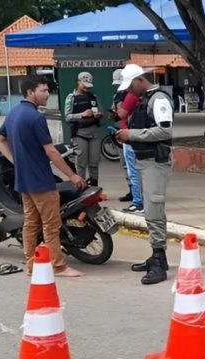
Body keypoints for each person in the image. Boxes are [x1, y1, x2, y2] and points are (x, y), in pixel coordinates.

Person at [0, 76, 87, 278]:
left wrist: (14, 160)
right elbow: (51, 152)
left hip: (24, 180)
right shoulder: (36, 118)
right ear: (30, 92)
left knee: (31, 223)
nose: (47, 94)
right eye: (43, 90)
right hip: (41, 180)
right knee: (51, 225)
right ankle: (59, 266)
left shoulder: (13, 114)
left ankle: (31, 265)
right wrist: (72, 175)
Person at [115, 64, 174, 285]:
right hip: (144, 161)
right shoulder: (145, 99)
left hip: (155, 163)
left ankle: (159, 259)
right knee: (151, 210)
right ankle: (157, 254)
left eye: (131, 86)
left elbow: (166, 130)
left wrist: (131, 134)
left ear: (140, 80)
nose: (129, 91)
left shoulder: (158, 99)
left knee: (153, 210)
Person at [110, 69, 144, 213]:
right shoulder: (140, 95)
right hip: (137, 134)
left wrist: (117, 105)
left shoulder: (130, 96)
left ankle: (138, 202)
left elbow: (121, 113)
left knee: (133, 171)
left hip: (129, 136)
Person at [65, 71, 103, 186]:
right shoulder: (71, 98)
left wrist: (98, 115)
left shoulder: (94, 97)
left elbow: (101, 112)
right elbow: (67, 117)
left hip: (94, 134)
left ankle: (94, 188)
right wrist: (82, 115)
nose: (87, 88)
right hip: (80, 134)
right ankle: (81, 188)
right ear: (78, 82)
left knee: (94, 163)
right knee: (81, 163)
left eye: (88, 86)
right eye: (84, 85)